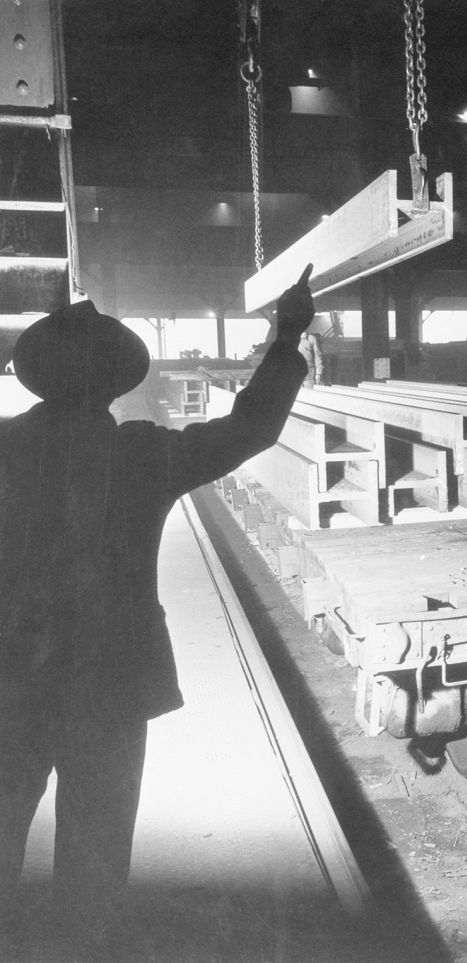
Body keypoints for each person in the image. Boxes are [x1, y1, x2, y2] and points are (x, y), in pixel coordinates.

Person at [0, 267, 316, 955]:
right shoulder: (141, 455)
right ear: (114, 383)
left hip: (11, 690)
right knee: (93, 871)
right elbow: (250, 427)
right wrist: (286, 336)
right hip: (110, 694)